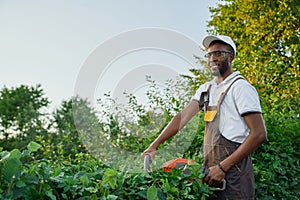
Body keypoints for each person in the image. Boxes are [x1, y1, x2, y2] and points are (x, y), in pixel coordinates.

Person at [141, 35, 267, 199]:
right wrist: (154, 145)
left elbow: (259, 134)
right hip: (210, 172)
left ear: (231, 57)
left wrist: (222, 168)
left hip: (235, 173)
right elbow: (182, 118)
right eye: (209, 55)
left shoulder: (241, 87)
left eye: (218, 54)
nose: (212, 59)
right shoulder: (206, 89)